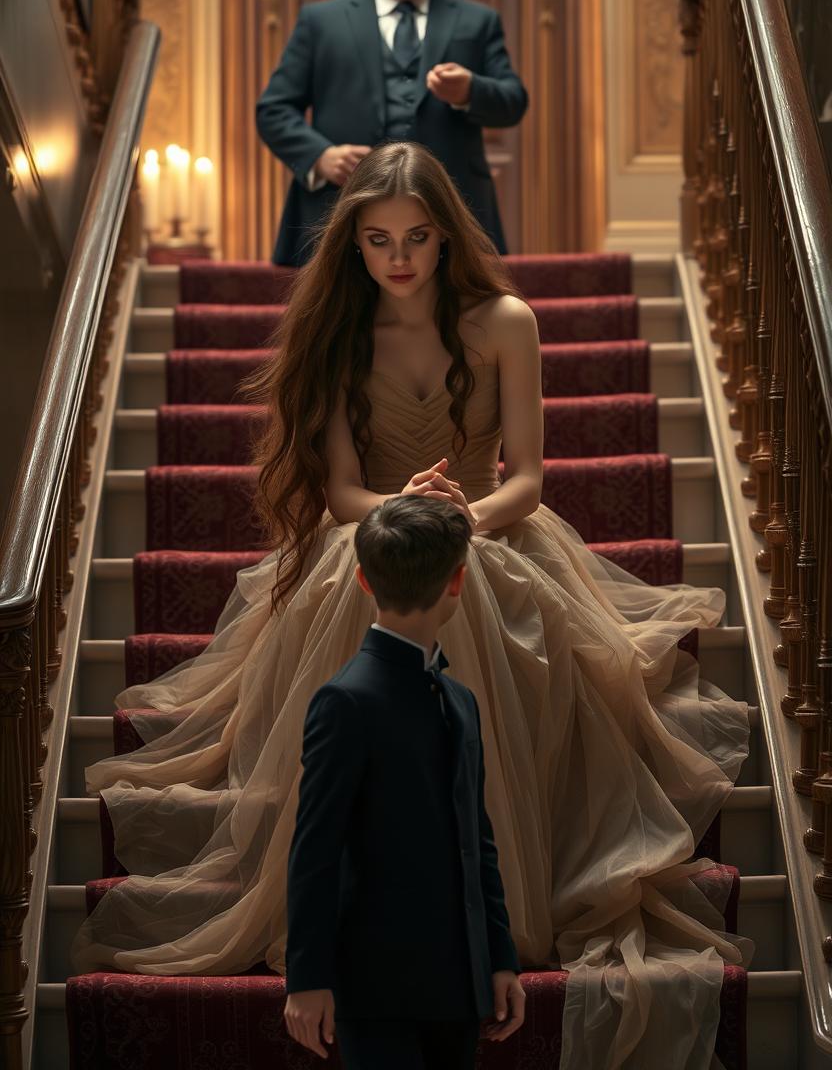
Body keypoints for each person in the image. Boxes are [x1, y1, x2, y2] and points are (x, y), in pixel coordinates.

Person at [73, 142, 750, 1070]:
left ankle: (500, 895)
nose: (398, 257)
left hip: (485, 524)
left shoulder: (506, 319)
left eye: (417, 238)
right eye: (379, 239)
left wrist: (463, 514)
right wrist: (404, 513)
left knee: (491, 588)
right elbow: (343, 492)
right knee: (365, 561)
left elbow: (531, 478)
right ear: (353, 243)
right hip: (379, 530)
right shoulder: (339, 337)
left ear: (445, 236)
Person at [284, 495, 525, 1068]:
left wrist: (500, 958)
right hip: (375, 988)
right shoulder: (344, 701)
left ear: (363, 580)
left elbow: (477, 842)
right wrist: (307, 977)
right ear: (458, 581)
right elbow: (313, 850)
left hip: (460, 982)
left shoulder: (459, 701)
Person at [255, 0, 527, 266]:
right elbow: (274, 110)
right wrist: (320, 156)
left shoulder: (478, 21)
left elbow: (513, 103)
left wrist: (470, 90)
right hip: (340, 213)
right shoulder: (321, 23)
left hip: (452, 216)